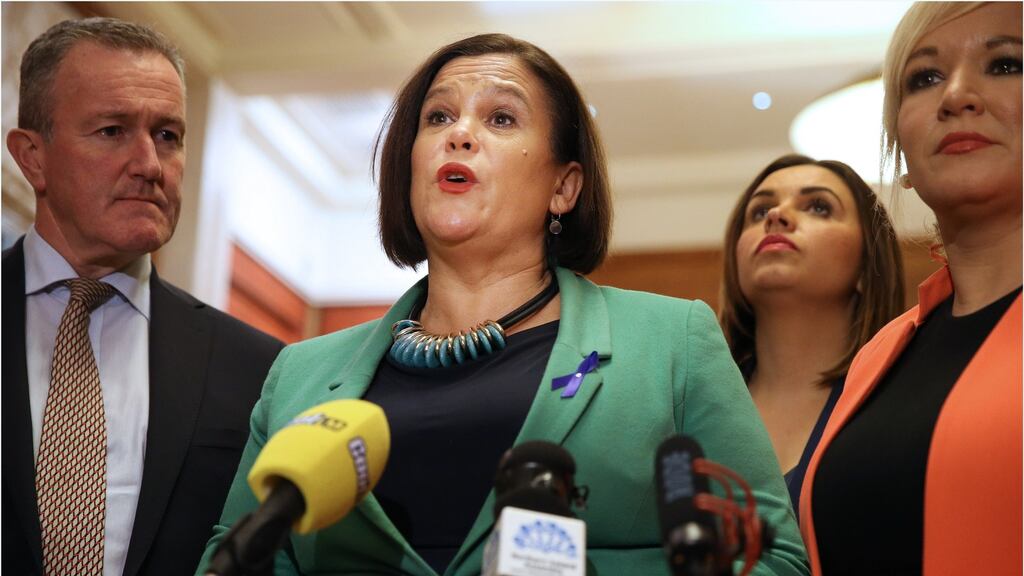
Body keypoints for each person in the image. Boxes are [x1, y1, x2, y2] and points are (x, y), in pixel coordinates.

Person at [198, 33, 809, 576]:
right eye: (438, 117)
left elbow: (774, 556)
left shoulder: (673, 340)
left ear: (563, 188)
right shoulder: (298, 375)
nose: (458, 134)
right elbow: (239, 556)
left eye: (500, 119)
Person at [2, 17, 283, 576]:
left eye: (167, 136)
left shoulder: (259, 370)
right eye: (112, 131)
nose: (150, 166)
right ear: (33, 156)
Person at [800, 3, 1022, 575]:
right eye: (924, 78)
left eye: (1005, 64)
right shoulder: (878, 356)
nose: (956, 95)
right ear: (901, 155)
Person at [719, 154, 904, 518]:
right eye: (759, 212)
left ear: (868, 266)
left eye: (818, 207)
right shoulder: (689, 403)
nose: (776, 216)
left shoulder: (903, 402)